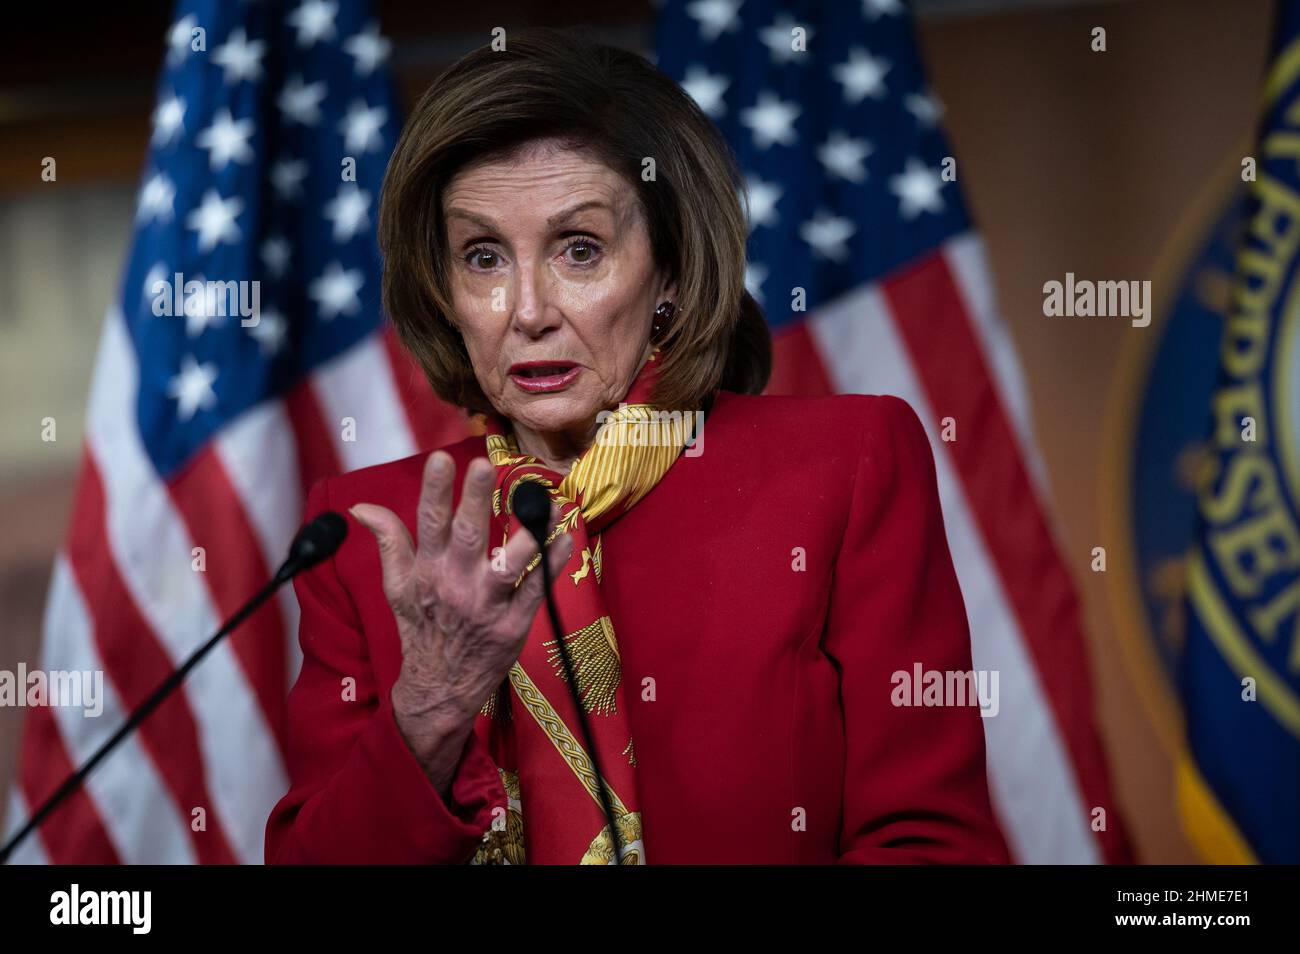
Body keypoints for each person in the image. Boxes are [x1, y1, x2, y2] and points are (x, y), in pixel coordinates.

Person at [265, 28, 1009, 865]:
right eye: (483, 257)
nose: (528, 309)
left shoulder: (844, 466)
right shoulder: (368, 535)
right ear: (443, 294)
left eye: (579, 249)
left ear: (673, 274)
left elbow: (930, 843)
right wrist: (431, 710)